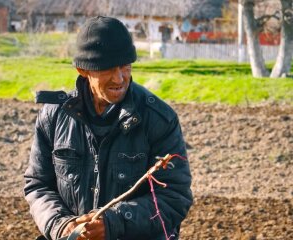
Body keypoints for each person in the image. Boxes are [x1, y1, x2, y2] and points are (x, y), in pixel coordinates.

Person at [24, 16, 193, 240]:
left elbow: (174, 196)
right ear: (83, 70)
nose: (119, 78)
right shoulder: (54, 116)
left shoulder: (159, 119)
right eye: (108, 69)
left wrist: (115, 223)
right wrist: (61, 225)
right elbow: (38, 185)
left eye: (125, 66)